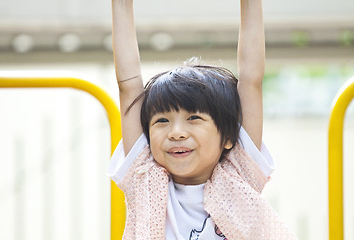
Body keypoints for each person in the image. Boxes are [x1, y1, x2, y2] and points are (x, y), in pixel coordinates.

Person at [108, 0, 297, 239]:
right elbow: (128, 84)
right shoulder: (144, 178)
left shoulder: (240, 175)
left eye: (194, 118)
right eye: (162, 121)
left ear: (228, 137)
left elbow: (251, 79)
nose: (176, 132)